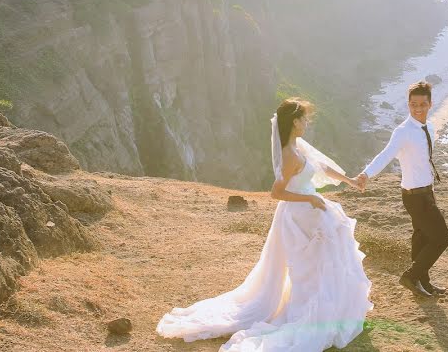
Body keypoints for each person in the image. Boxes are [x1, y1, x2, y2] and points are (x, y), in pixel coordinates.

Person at [157, 97, 372, 351]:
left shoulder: (298, 146)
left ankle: (330, 309)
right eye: (304, 118)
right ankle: (312, 312)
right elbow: (277, 193)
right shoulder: (289, 154)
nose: (307, 123)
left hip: (311, 210)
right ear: (294, 122)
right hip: (299, 215)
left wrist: (350, 181)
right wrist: (311, 198)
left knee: (325, 261)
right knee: (312, 267)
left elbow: (322, 166)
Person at [356, 80, 448, 297]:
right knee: (442, 238)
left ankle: (423, 282)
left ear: (430, 104)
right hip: (414, 197)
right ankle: (410, 276)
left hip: (427, 192)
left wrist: (431, 189)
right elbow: (386, 155)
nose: (418, 109)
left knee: (422, 238)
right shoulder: (403, 131)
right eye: (413, 104)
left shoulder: (430, 127)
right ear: (408, 104)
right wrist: (366, 174)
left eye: (422, 104)